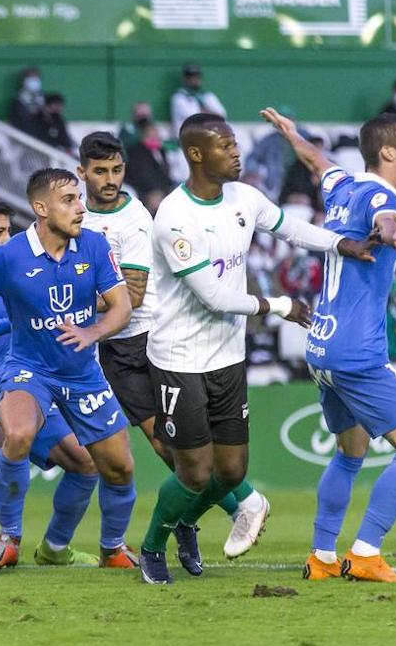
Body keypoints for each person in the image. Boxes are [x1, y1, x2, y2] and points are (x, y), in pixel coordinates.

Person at [135, 112, 377, 585]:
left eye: (234, 144)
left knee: (231, 470)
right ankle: (152, 546)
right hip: (179, 360)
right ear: (196, 154)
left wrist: (338, 243)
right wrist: (281, 304)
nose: (236, 152)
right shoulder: (174, 218)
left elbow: (290, 228)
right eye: (225, 146)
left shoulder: (243, 198)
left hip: (227, 357)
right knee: (195, 472)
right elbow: (216, 297)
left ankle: (186, 519)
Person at [0, 169, 140, 570]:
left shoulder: (94, 245)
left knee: (114, 466)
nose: (80, 208)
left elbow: (122, 306)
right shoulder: (9, 257)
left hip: (82, 374)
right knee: (17, 433)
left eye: (79, 199)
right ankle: (8, 540)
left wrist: (92, 331)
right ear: (41, 209)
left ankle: (105, 548)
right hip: (28, 370)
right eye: (70, 201)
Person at [79, 132, 267, 571]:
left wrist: (67, 298)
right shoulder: (75, 213)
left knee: (175, 449)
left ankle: (241, 504)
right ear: (81, 172)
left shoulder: (139, 220)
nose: (109, 179)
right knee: (169, 451)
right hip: (114, 349)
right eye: (100, 171)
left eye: (117, 170)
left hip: (149, 339)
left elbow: (136, 296)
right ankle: (193, 521)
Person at [263, 107, 396, 582]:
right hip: (357, 350)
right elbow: (385, 220)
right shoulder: (381, 194)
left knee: (350, 452)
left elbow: (318, 162)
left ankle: (321, 559)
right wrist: (393, 233)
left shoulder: (343, 187)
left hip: (321, 345)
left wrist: (294, 135)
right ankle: (364, 554)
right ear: (388, 152)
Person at [121, 103, 176, 206]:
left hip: (163, 188)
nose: (155, 136)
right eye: (150, 135)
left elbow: (164, 174)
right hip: (144, 191)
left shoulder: (160, 150)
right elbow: (142, 176)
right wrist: (154, 192)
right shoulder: (136, 150)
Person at [169, 62, 226, 129]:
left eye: (196, 76)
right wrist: (211, 114)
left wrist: (204, 112)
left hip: (209, 136)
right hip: (186, 137)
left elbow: (222, 115)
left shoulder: (208, 96)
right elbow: (195, 117)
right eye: (190, 76)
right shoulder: (178, 97)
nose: (194, 79)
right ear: (185, 78)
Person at [8, 67, 46, 139]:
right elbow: (23, 121)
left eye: (36, 79)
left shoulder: (44, 99)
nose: (34, 81)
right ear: (23, 81)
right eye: (31, 78)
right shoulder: (18, 101)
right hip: (24, 138)